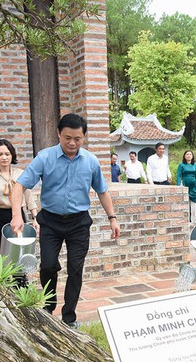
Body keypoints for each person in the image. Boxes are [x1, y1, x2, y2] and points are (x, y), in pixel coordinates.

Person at [10, 114, 121, 328]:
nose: (72, 143)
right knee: (48, 266)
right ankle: (48, 305)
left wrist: (112, 218)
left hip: (79, 223)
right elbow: (19, 185)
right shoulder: (45, 157)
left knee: (75, 269)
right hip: (50, 222)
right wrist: (16, 214)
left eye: (77, 139)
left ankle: (69, 317)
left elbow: (102, 191)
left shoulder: (91, 161)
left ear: (84, 137)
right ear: (58, 134)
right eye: (67, 138)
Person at [0, 139, 39, 287]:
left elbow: (29, 197)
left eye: (7, 154)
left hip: (18, 217)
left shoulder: (21, 174)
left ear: (12, 155)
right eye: (0, 154)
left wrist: (35, 218)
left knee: (20, 254)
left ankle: (21, 288)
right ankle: (2, 289)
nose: (4, 157)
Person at [176, 150, 196, 225]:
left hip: (194, 186)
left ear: (192, 156)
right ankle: (187, 221)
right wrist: (178, 185)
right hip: (185, 186)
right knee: (186, 204)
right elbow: (178, 176)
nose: (189, 155)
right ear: (184, 156)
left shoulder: (194, 165)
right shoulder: (181, 165)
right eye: (187, 154)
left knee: (195, 203)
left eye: (190, 154)